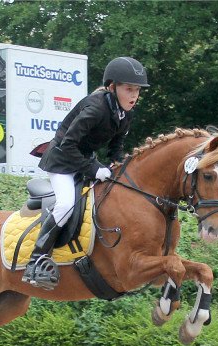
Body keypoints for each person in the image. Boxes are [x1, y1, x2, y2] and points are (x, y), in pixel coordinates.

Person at [22, 56, 149, 289]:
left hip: (83, 159)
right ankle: (36, 259)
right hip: (61, 160)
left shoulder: (125, 114)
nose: (134, 96)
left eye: (137, 90)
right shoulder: (95, 107)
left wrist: (118, 166)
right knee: (66, 204)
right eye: (129, 89)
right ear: (112, 87)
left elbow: (116, 149)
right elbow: (67, 145)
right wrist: (93, 169)